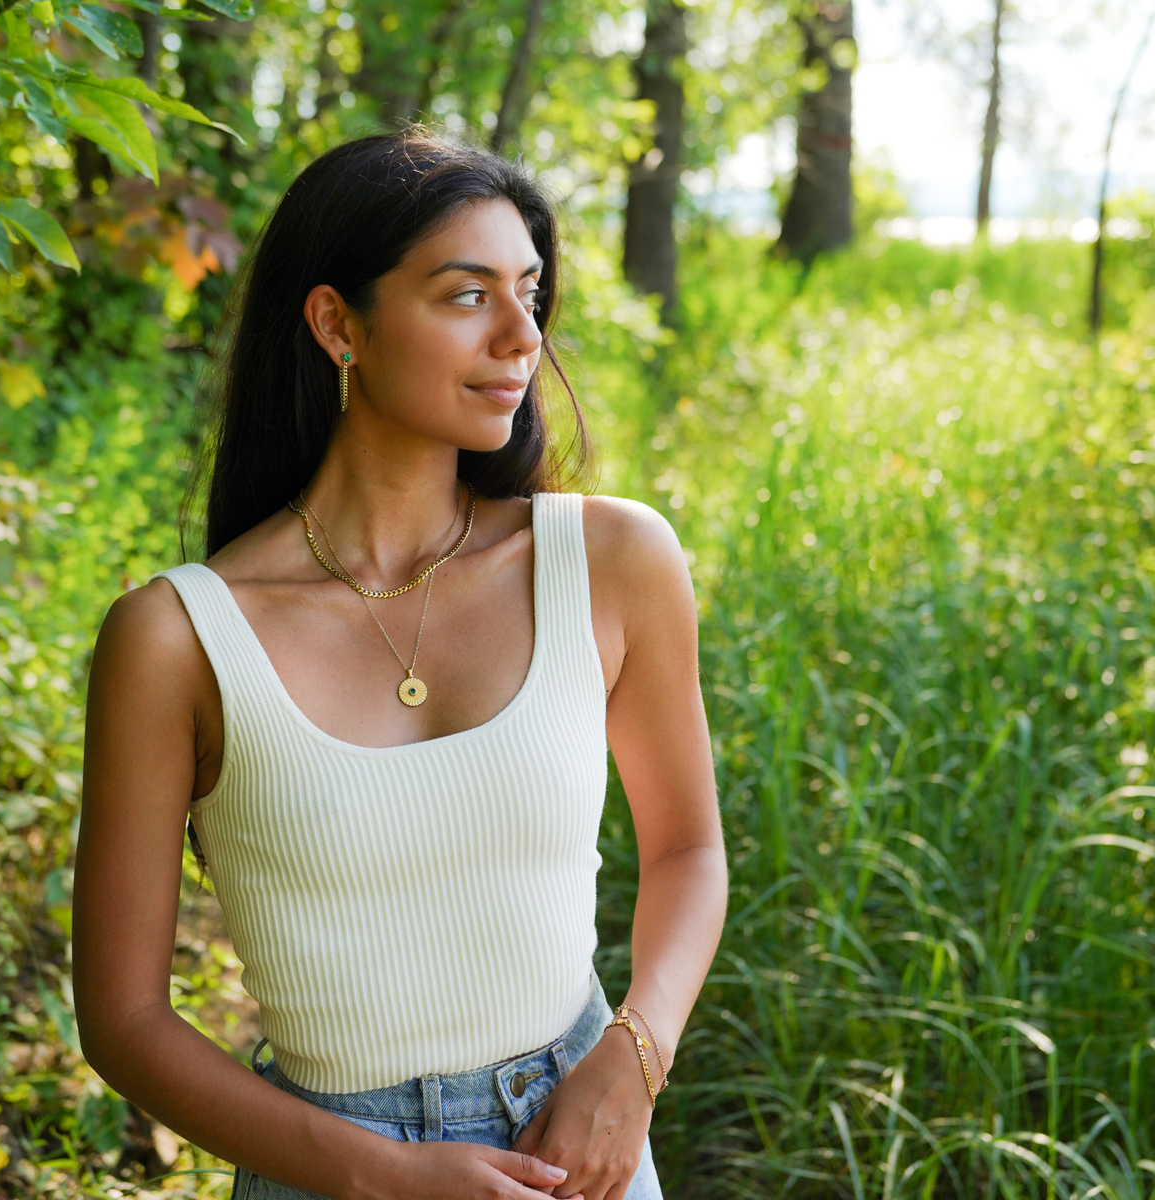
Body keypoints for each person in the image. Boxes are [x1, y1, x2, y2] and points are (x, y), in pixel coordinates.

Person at [72, 129, 727, 1200]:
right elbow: (124, 1019)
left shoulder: (610, 559)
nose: (523, 335)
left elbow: (691, 848)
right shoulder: (177, 638)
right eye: (468, 295)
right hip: (325, 1166)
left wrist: (635, 1055)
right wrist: (384, 1174)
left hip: (584, 1142)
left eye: (530, 292)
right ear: (339, 324)